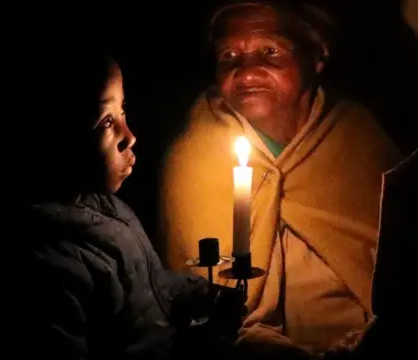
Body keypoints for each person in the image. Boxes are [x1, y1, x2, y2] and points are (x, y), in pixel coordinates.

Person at [160, 0, 402, 356]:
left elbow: (407, 265)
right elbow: (205, 307)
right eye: (229, 56)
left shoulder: (354, 134)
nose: (246, 73)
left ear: (317, 55)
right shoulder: (197, 156)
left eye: (270, 51)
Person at [17, 44, 245, 360]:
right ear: (53, 137)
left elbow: (150, 286)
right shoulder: (51, 267)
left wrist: (200, 294)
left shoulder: (110, 211)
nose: (130, 135)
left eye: (122, 111)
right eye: (106, 121)